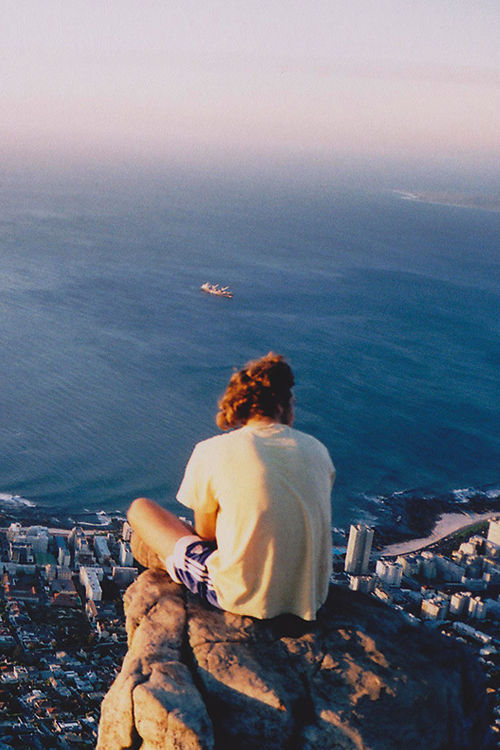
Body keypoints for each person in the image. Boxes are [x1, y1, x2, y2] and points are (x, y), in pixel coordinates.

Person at [127, 352, 335, 621]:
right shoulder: (317, 450)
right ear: (283, 407)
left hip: (242, 596)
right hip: (311, 596)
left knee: (140, 509)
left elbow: (206, 534)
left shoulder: (212, 450)